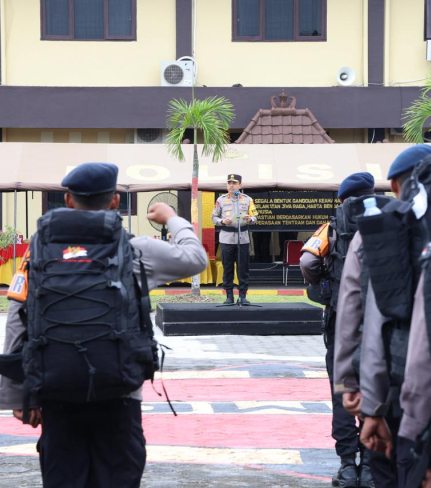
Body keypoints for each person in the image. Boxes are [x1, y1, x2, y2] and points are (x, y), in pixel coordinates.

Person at [0, 162, 208, 488]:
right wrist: (172, 218)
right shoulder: (135, 249)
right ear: (114, 202)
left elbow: (17, 320)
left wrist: (17, 397)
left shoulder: (37, 253)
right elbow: (196, 259)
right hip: (119, 393)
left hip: (56, 391)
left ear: (68, 200)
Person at [356, 145, 431, 487]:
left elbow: (375, 324)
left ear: (397, 185)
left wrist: (373, 405)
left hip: (410, 404)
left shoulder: (391, 230)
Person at [300, 171, 376, 488]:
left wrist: (326, 286)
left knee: (343, 392)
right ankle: (370, 466)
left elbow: (307, 262)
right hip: (379, 326)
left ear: (343, 199)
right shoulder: (390, 221)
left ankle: (347, 467)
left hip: (341, 325)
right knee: (375, 392)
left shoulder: (330, 228)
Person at [211, 174, 258, 305]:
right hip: (226, 238)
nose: (231, 186)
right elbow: (214, 218)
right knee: (227, 268)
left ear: (240, 185)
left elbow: (255, 216)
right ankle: (229, 296)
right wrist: (222, 221)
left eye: (234, 183)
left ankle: (242, 296)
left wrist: (250, 219)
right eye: (229, 183)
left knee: (243, 268)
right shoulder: (221, 200)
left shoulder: (247, 199)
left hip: (243, 238)